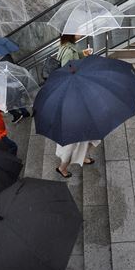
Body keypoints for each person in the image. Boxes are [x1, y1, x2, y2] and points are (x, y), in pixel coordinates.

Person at [54, 34, 96, 178]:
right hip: (74, 102)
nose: (81, 32)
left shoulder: (70, 47)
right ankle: (62, 168)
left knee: (92, 136)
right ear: (70, 34)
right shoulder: (68, 51)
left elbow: (73, 59)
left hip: (78, 99)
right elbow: (67, 73)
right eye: (78, 31)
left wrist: (83, 54)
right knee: (72, 144)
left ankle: (83, 156)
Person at [0, 54, 31, 123]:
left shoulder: (4, 62)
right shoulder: (7, 57)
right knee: (17, 101)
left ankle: (17, 115)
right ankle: (24, 113)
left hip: (13, 87)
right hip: (16, 87)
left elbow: (8, 76)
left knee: (8, 104)